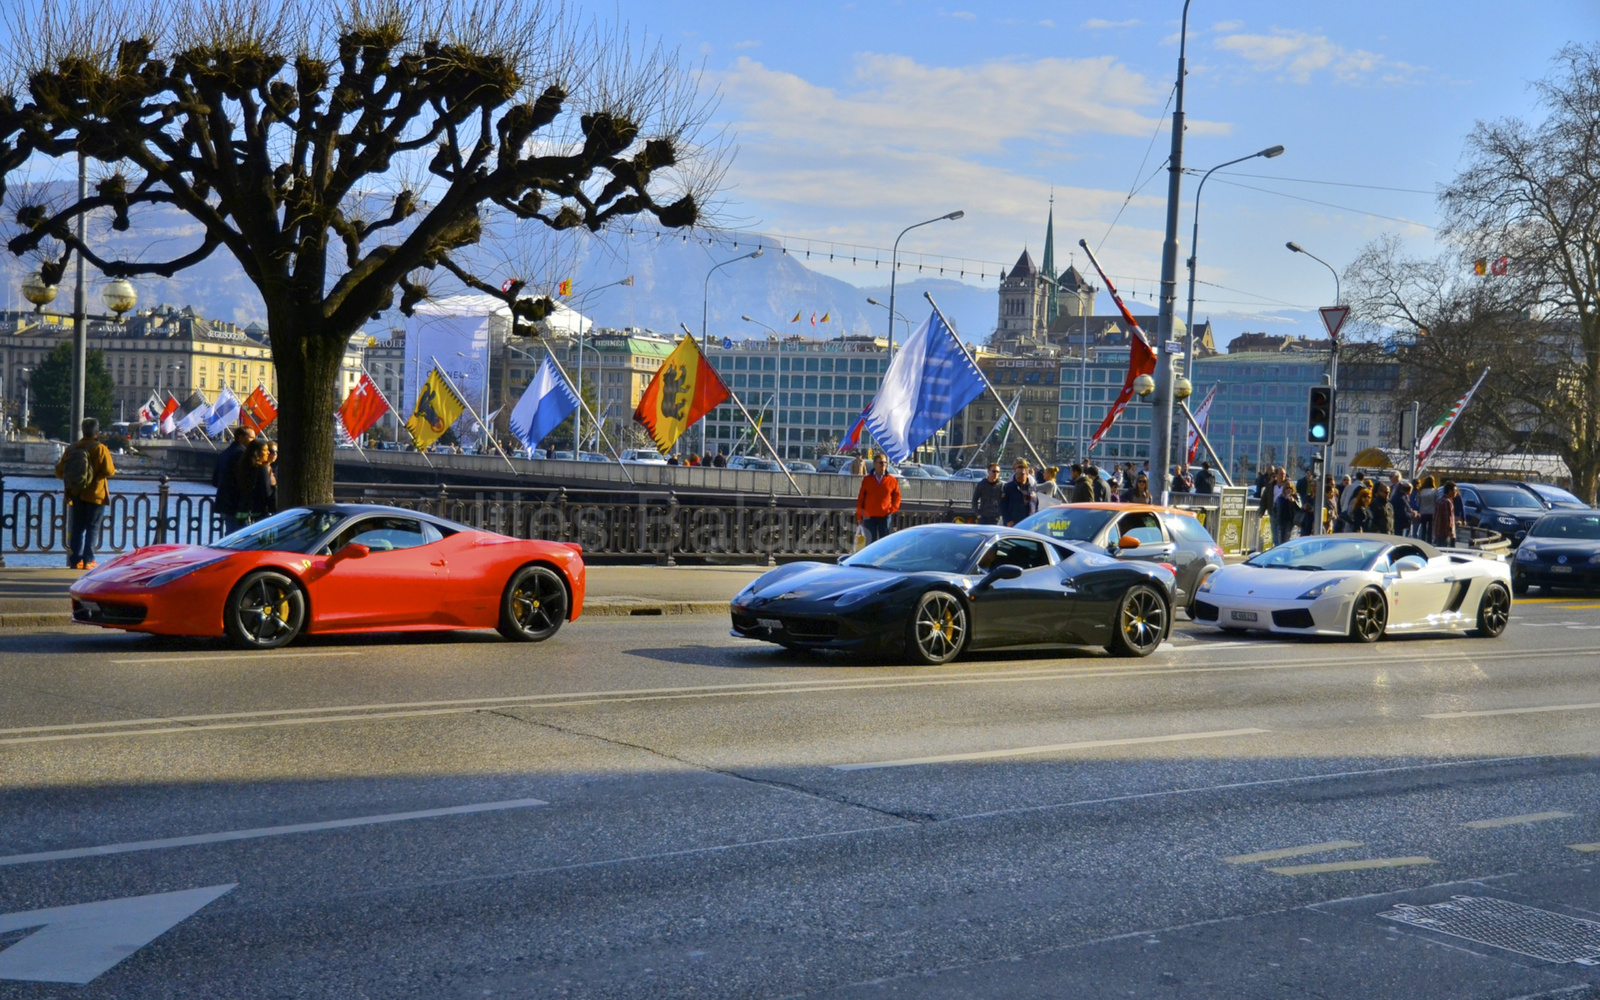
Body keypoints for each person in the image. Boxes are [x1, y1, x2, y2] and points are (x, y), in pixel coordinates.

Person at [55, 417, 116, 570]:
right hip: (95, 494)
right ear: (96, 432)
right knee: (92, 527)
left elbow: (59, 471)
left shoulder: (72, 448)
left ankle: (75, 560)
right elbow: (109, 471)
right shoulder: (100, 448)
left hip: (76, 493)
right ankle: (88, 560)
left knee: (77, 528)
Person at [212, 426, 257, 530]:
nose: (254, 441)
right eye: (252, 438)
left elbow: (215, 481)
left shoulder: (224, 453)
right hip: (237, 504)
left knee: (230, 532)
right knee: (239, 535)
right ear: (241, 437)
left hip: (224, 503)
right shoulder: (242, 455)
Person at [856, 453, 901, 543]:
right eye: (881, 463)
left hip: (885, 515)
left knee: (884, 542)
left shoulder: (892, 480)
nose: (883, 465)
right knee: (870, 543)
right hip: (870, 516)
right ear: (875, 464)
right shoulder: (867, 480)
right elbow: (861, 498)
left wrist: (892, 509)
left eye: (885, 463)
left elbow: (897, 497)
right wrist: (859, 516)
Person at [234, 439, 277, 528]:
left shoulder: (242, 467)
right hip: (258, 514)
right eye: (265, 450)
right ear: (257, 453)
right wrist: (273, 485)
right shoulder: (261, 469)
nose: (268, 453)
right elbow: (267, 493)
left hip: (241, 511)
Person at [999, 460, 1037, 526]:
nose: (1019, 476)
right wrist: (1008, 520)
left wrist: (1036, 520)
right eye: (1017, 474)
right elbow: (1003, 506)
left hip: (1029, 523)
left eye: (1021, 474)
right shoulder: (1009, 487)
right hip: (1013, 523)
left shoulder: (1031, 488)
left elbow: (1035, 504)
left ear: (1027, 474)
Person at [1433, 480, 1460, 546]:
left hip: (1438, 531)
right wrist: (1451, 532)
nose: (1456, 493)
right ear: (1449, 491)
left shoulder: (1439, 500)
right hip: (1445, 533)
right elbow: (1448, 519)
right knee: (1445, 552)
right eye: (1454, 490)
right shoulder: (1447, 502)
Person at [1416, 475, 1438, 543]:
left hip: (1423, 512)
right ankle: (1429, 542)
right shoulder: (1434, 491)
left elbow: (1418, 503)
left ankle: (1422, 541)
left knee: (1423, 528)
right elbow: (1436, 501)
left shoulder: (1421, 491)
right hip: (1432, 512)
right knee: (1430, 529)